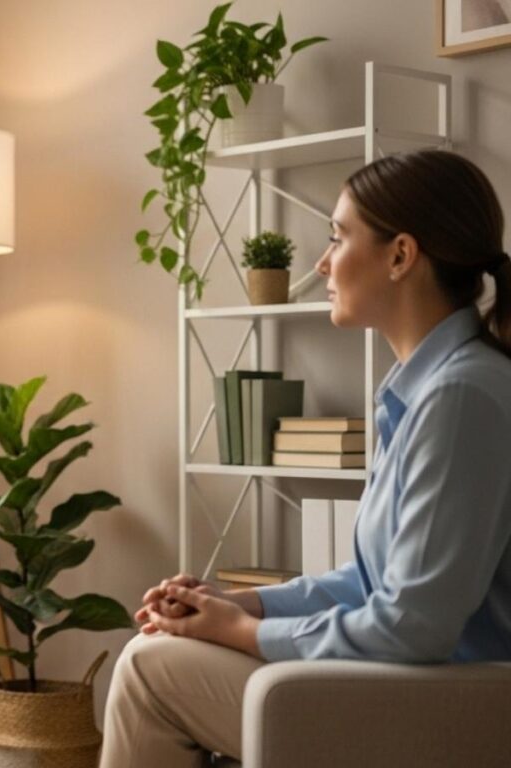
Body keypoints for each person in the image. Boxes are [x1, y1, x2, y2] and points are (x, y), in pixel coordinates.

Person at [100, 148, 511, 767]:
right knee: (155, 652)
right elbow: (371, 585)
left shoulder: (460, 395)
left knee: (151, 669)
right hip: (423, 684)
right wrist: (235, 604)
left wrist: (241, 633)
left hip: (454, 705)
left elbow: (412, 625)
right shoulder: (430, 389)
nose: (321, 263)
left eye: (338, 237)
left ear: (401, 255)